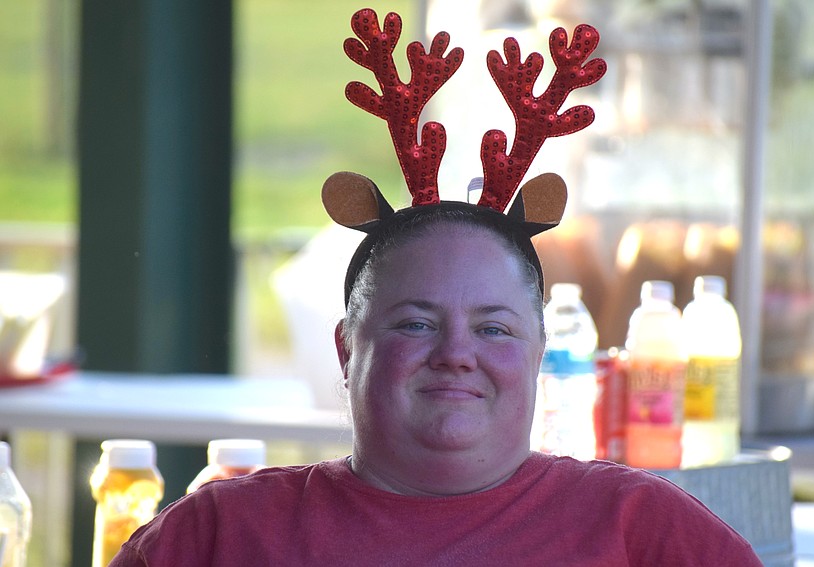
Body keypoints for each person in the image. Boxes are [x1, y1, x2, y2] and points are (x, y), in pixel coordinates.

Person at [110, 9, 762, 565]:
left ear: (539, 352)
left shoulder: (639, 524)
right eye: (416, 322)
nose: (456, 352)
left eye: (494, 327)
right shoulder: (223, 531)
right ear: (346, 347)